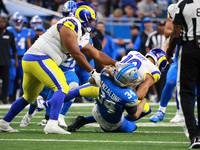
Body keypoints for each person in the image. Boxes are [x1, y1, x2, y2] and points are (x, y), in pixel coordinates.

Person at [0, 2, 116, 134]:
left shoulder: (82, 32)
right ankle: (52, 123)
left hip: (32, 59)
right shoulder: (70, 23)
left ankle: (4, 123)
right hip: (39, 57)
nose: (92, 24)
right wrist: (93, 72)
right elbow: (75, 52)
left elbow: (95, 53)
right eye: (91, 20)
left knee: (29, 96)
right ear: (83, 18)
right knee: (61, 87)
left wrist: (116, 63)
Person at [54, 64, 151, 133]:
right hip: (111, 126)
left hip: (96, 111)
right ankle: (121, 121)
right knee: (133, 125)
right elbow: (135, 115)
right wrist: (144, 99)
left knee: (76, 92)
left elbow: (91, 80)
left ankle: (49, 105)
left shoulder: (106, 74)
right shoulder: (128, 95)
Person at [166, 0, 200, 148]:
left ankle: (194, 136)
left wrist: (169, 52)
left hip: (190, 49)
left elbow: (175, 34)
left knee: (186, 93)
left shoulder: (182, 5)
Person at [7, 12, 31, 103]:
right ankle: (10, 96)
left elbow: (29, 45)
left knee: (23, 78)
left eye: (19, 20)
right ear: (13, 21)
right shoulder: (9, 30)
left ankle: (23, 96)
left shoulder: (26, 31)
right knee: (12, 77)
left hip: (23, 58)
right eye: (16, 21)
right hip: (12, 57)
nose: (17, 22)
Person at [0, 15, 18, 104]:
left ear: (6, 23)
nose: (1, 23)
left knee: (6, 81)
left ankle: (4, 98)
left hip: (6, 61)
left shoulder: (10, 34)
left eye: (3, 21)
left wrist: (15, 60)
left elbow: (14, 49)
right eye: (0, 21)